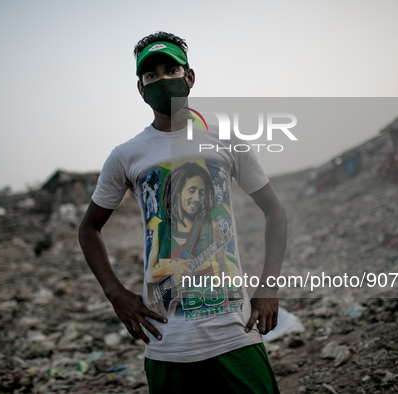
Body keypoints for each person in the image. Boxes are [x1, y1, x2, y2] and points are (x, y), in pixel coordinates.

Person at [79, 31, 287, 393]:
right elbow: (89, 228)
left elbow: (275, 211)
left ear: (189, 76)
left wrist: (268, 287)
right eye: (151, 75)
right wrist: (116, 292)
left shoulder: (225, 140)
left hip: (234, 332)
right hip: (167, 341)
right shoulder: (126, 155)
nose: (161, 79)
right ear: (141, 89)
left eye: (170, 69)